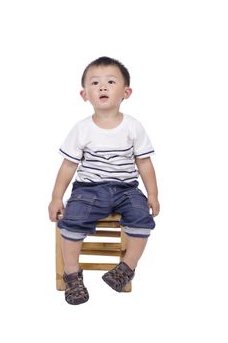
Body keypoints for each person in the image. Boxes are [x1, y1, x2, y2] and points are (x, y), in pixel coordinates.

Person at [48, 56, 160, 305]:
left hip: (126, 190)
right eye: (95, 82)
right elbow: (68, 166)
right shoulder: (81, 129)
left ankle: (126, 268)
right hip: (89, 189)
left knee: (143, 219)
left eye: (111, 81)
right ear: (84, 94)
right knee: (71, 221)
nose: (102, 87)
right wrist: (56, 197)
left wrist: (153, 194)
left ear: (126, 92)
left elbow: (144, 163)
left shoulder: (133, 127)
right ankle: (72, 274)